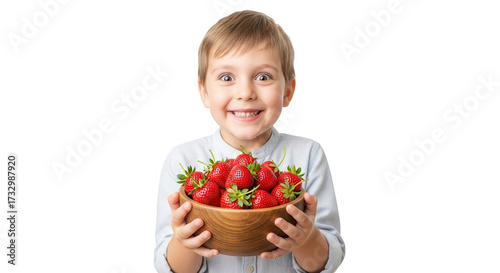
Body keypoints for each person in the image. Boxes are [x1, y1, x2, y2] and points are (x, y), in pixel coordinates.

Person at [154, 10, 345, 273]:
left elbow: (327, 260)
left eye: (263, 77)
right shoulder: (182, 160)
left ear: (287, 91)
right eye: (227, 77)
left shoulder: (309, 155)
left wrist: (307, 238)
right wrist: (184, 241)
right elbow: (171, 268)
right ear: (204, 92)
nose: (245, 93)